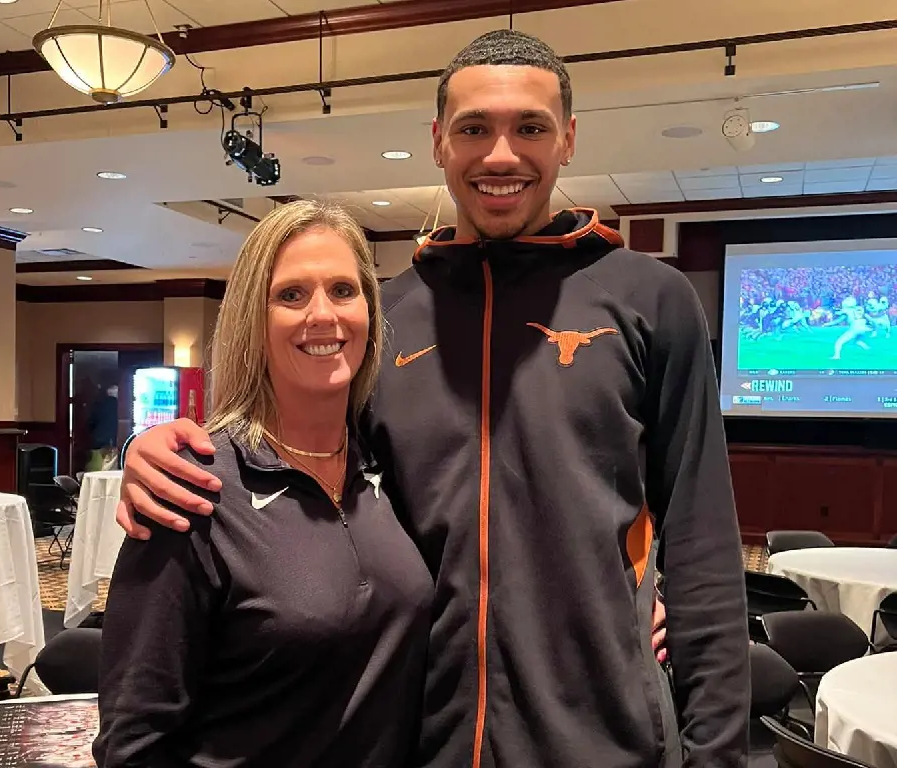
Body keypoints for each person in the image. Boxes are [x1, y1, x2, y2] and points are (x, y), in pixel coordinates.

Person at [114, 29, 749, 768]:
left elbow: (704, 550)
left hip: (605, 741)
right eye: (475, 128)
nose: (501, 154)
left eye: (530, 128)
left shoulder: (650, 301)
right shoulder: (387, 319)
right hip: (420, 742)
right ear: (439, 142)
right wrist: (149, 446)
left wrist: (719, 753)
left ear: (568, 140)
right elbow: (300, 457)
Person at [92, 201, 434, 768]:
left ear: (371, 315)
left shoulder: (388, 463)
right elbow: (134, 739)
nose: (323, 314)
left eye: (344, 291)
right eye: (291, 295)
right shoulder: (192, 488)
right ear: (255, 319)